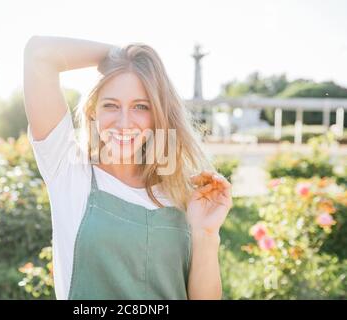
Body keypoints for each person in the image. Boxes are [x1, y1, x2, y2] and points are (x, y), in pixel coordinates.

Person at [23, 36, 233, 300]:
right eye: (110, 105)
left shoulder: (183, 193)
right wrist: (122, 57)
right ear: (92, 112)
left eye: (140, 107)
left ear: (158, 115)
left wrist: (206, 234)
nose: (124, 122)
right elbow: (39, 53)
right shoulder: (68, 172)